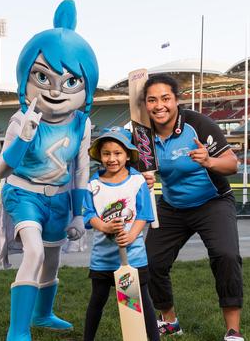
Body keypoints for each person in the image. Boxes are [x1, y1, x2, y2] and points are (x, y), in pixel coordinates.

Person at [0, 0, 99, 341]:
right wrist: (24, 136)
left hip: (59, 197)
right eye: (42, 76)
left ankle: (42, 314)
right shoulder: (20, 120)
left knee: (51, 259)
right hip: (23, 192)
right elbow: (0, 169)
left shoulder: (82, 123)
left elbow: (81, 167)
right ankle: (18, 330)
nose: (55, 90)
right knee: (34, 252)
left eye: (70, 82)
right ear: (26, 80)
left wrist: (78, 215)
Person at [141, 74, 245, 341]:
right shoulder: (143, 134)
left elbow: (232, 164)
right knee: (151, 262)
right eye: (152, 100)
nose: (159, 105)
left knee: (226, 255)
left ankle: (233, 331)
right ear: (146, 104)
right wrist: (142, 176)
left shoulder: (198, 124)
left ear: (176, 100)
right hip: (173, 205)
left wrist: (210, 161)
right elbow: (134, 169)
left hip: (213, 202)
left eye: (165, 98)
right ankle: (170, 321)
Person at [82, 127, 160, 341]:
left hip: (133, 258)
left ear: (128, 155)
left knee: (139, 302)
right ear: (99, 155)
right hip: (103, 258)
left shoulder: (137, 182)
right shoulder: (93, 184)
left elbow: (144, 214)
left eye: (117, 153)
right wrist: (105, 227)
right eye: (106, 153)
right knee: (97, 301)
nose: (112, 158)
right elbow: (89, 214)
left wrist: (132, 235)